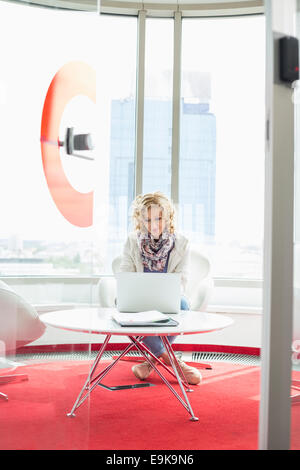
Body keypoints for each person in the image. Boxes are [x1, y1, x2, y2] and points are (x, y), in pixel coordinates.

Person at [119, 191, 201, 385]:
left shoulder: (181, 243)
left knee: (183, 304)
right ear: (140, 221)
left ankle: (151, 362)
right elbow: (125, 274)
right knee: (121, 306)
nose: (153, 224)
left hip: (168, 299)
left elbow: (182, 280)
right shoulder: (132, 241)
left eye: (158, 218)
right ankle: (172, 361)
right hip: (139, 300)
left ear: (168, 218)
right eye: (147, 220)